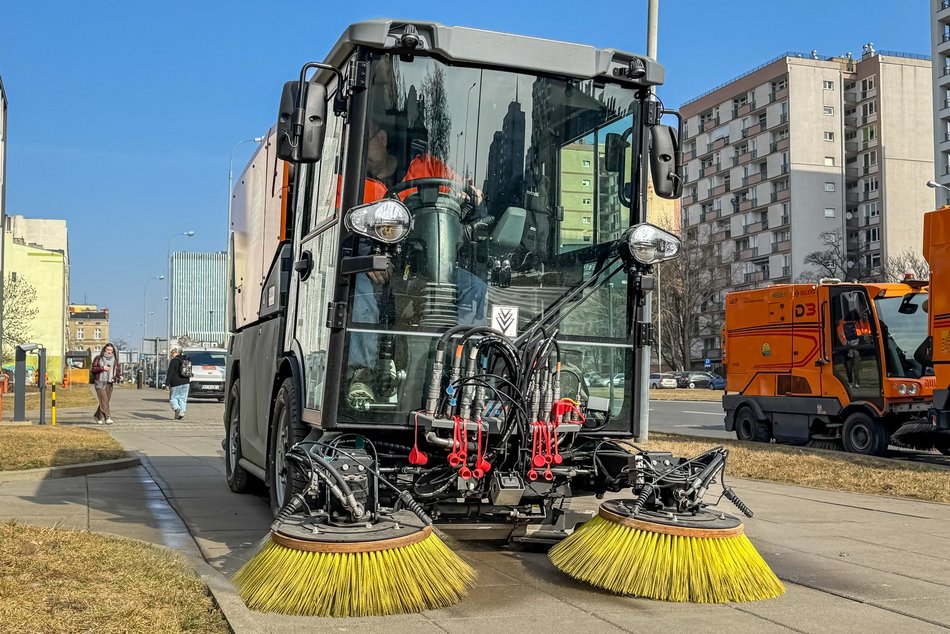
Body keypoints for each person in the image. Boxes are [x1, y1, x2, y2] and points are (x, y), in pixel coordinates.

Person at [836, 309, 872, 388]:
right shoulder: (843, 324)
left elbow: (865, 334)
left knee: (856, 369)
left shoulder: (860, 322)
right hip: (847, 352)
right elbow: (841, 336)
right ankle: (850, 382)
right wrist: (847, 345)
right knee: (848, 369)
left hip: (855, 350)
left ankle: (857, 383)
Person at [91, 343, 122, 424]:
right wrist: (102, 368)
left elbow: (117, 369)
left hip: (110, 382)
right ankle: (107, 417)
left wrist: (119, 376)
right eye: (108, 350)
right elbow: (93, 369)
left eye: (111, 350)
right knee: (104, 400)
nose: (109, 351)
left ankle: (98, 416)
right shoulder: (98, 358)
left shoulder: (114, 359)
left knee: (105, 401)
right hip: (100, 381)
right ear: (104, 349)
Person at [166, 348, 191, 420]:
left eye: (172, 353)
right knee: (183, 399)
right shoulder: (187, 359)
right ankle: (181, 413)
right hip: (186, 382)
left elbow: (170, 372)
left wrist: (167, 383)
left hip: (175, 383)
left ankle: (177, 408)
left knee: (173, 398)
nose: (171, 355)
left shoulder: (174, 361)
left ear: (175, 353)